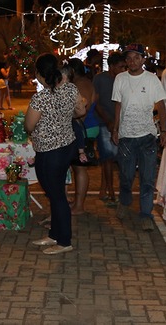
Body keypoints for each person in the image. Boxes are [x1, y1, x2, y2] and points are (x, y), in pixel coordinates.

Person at [25, 53, 85, 255]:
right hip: (65, 147)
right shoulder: (70, 89)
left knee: (57, 195)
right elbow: (80, 111)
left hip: (50, 151)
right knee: (56, 192)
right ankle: (55, 234)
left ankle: (64, 240)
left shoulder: (41, 98)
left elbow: (29, 124)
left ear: (40, 74)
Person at [112, 43, 166, 232]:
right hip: (126, 136)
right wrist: (115, 129)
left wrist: (164, 131)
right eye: (129, 58)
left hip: (147, 136)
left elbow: (160, 106)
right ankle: (125, 201)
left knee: (147, 177)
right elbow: (118, 105)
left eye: (137, 57)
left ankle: (145, 213)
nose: (132, 61)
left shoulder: (152, 80)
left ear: (144, 59)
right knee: (126, 176)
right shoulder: (120, 78)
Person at [93, 51, 126, 205]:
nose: (123, 70)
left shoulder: (125, 80)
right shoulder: (100, 79)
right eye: (120, 67)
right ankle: (110, 190)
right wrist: (107, 120)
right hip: (103, 122)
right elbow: (96, 102)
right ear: (111, 66)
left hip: (121, 123)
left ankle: (107, 188)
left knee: (117, 157)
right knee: (107, 157)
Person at [66, 58, 96, 215]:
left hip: (83, 128)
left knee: (79, 168)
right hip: (87, 127)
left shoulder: (81, 84)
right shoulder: (86, 82)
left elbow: (82, 109)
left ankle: (79, 206)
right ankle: (77, 203)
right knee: (78, 167)